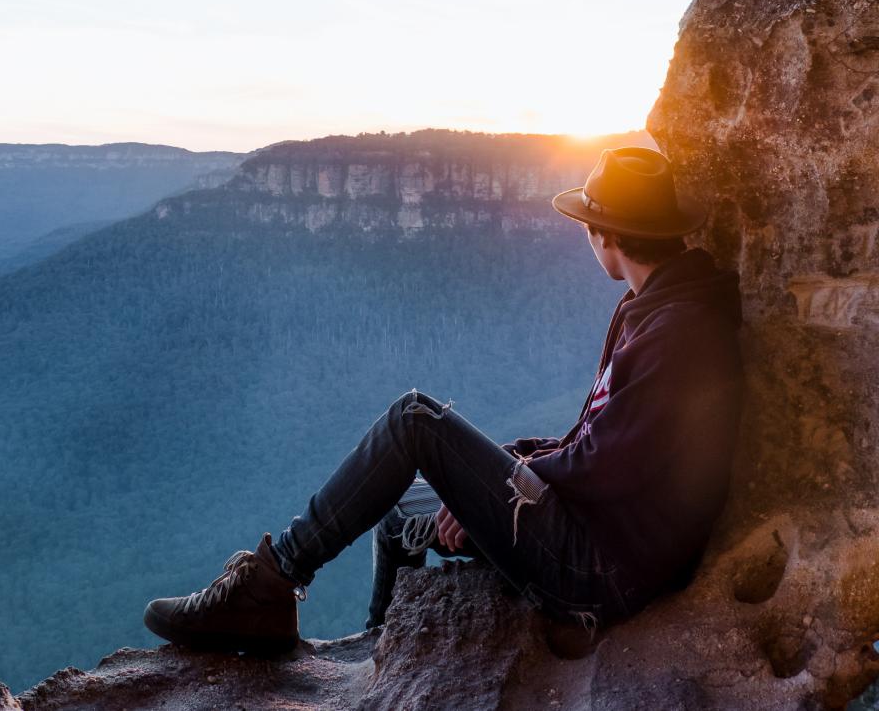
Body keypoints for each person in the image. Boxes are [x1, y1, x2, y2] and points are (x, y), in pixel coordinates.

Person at [142, 146, 745, 653]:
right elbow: (606, 438)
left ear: (605, 232)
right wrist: (505, 468)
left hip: (596, 571)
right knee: (400, 511)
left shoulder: (676, 330)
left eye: (588, 223)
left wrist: (515, 481)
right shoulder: (663, 307)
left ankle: (269, 585)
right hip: (599, 539)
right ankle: (380, 649)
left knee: (415, 420)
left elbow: (609, 462)